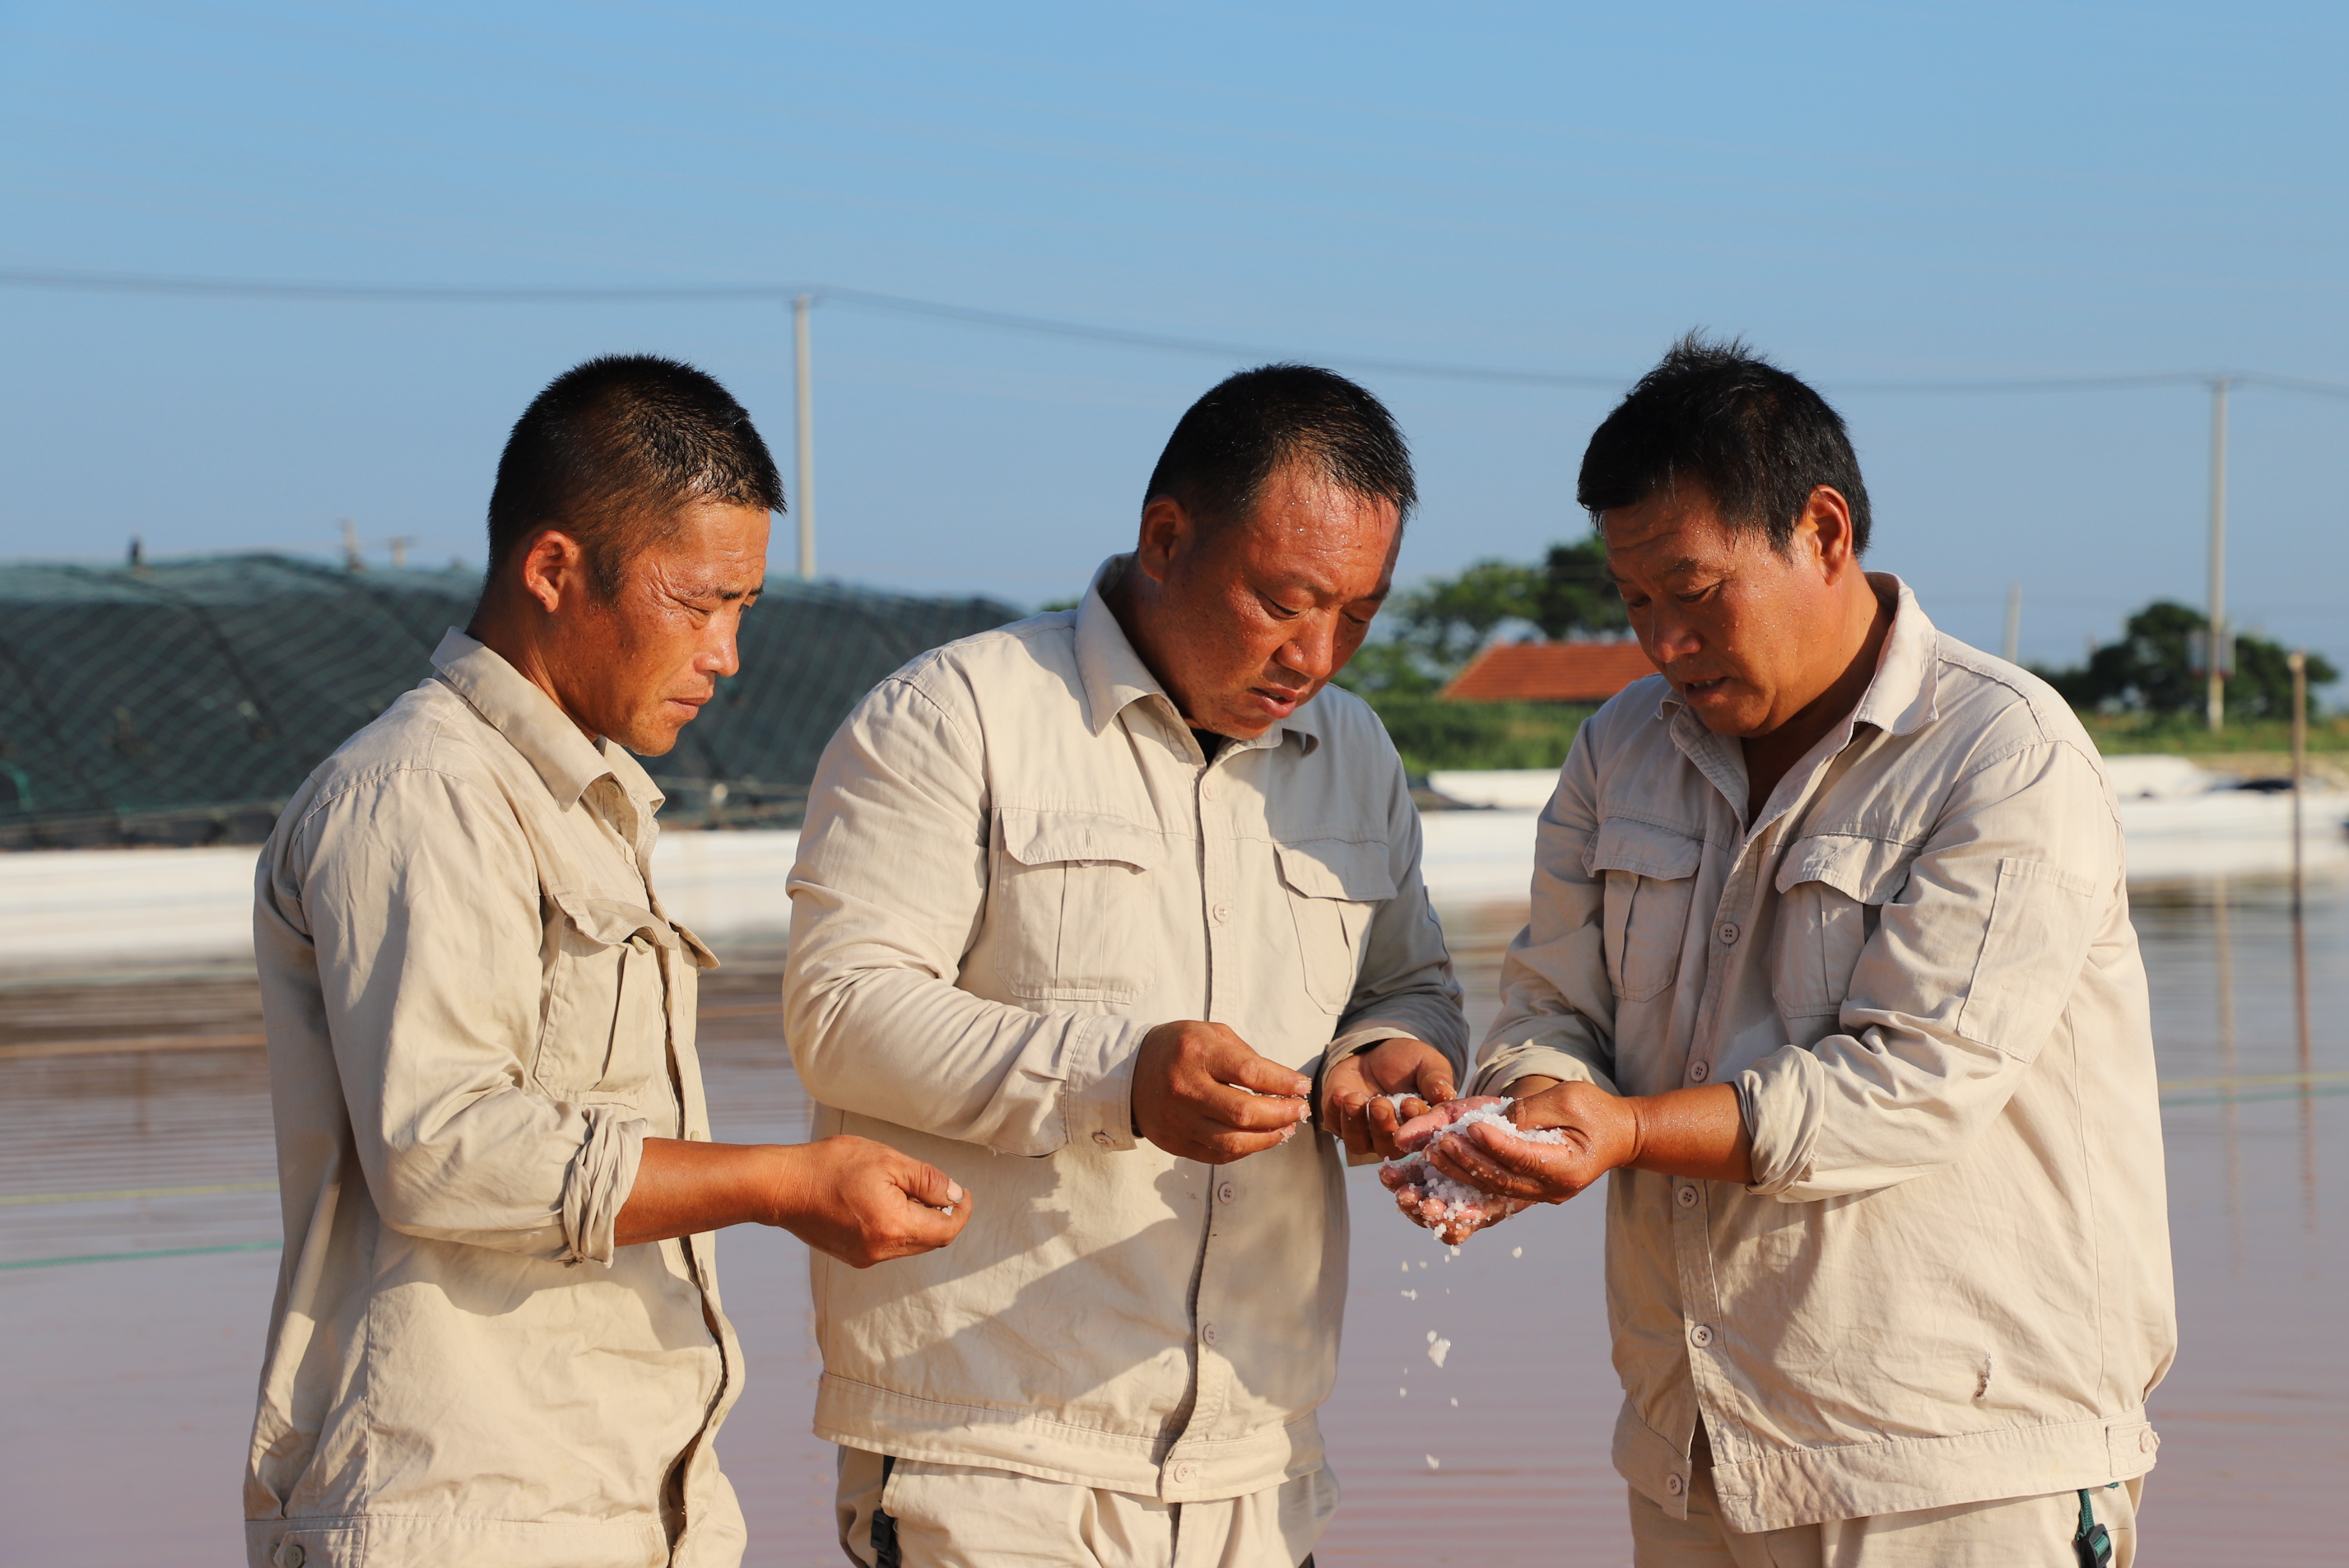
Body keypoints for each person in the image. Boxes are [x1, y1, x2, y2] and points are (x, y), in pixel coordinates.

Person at [1393, 337, 2175, 1566]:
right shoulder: (1618, 751)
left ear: (1823, 532)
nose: (1664, 641)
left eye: (1694, 592)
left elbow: (1913, 1084)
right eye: (1634, 601)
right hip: (1693, 1445)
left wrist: (1626, 1131)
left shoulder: (2004, 753)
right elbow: (1549, 1005)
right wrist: (1522, 1113)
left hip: (1951, 1471)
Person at [244, 356, 970, 1568]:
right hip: (458, 1513)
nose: (726, 654)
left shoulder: (583, 804)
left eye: (744, 609)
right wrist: (784, 1185)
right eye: (699, 603)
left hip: (615, 1502)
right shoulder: (423, 793)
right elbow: (442, 1147)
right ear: (552, 570)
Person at [784, 364, 1470, 1568]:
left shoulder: (1354, 752)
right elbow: (841, 1011)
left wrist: (1386, 1057)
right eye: (1285, 602)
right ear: (1165, 539)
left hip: (1260, 1462)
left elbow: (1406, 985)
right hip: (990, 1447)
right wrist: (1121, 1079)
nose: (1317, 654)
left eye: (1359, 615)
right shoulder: (956, 715)